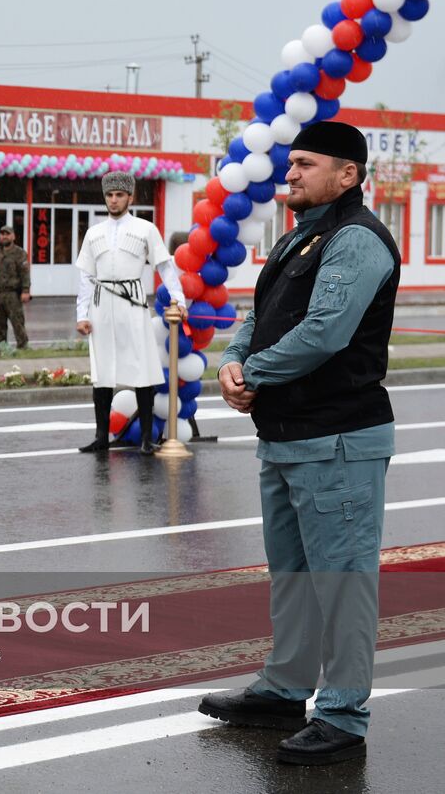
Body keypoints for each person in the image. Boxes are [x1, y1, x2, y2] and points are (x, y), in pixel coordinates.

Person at [198, 121, 398, 766]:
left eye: (306, 164)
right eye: (292, 163)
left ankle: (342, 715)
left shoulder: (357, 240)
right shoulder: (298, 237)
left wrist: (251, 375)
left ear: (347, 175)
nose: (291, 173)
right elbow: (258, 315)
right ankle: (284, 691)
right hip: (286, 437)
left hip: (339, 439)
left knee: (341, 582)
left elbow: (324, 332)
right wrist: (231, 364)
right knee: (292, 578)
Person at [74, 172, 185, 455]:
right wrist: (81, 314)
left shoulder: (145, 229)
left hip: (132, 301)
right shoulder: (94, 232)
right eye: (110, 195)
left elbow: (164, 266)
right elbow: (85, 276)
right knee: (102, 372)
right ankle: (101, 436)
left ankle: (148, 437)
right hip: (101, 305)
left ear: (130, 197)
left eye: (119, 195)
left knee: (141, 368)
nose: (114, 200)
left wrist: (178, 298)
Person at [0, 225, 31, 348]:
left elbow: (25, 273)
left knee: (17, 322)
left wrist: (26, 290)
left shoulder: (20, 253)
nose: (4, 236)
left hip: (12, 294)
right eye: (2, 234)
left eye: (7, 234)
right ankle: (2, 348)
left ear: (13, 236)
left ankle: (23, 347)